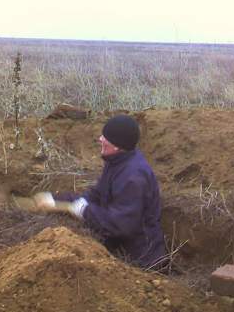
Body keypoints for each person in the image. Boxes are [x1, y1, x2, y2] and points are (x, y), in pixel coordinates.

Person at [36, 114, 167, 270]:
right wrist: (57, 200)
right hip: (123, 251)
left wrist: (84, 211)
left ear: (117, 145)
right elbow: (97, 195)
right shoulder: (117, 162)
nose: (100, 139)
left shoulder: (133, 177)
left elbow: (120, 225)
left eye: (106, 137)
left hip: (142, 262)